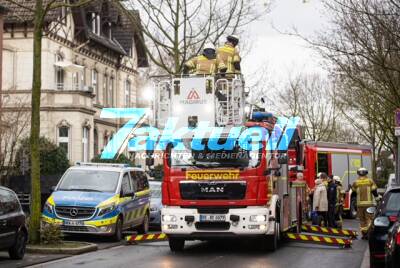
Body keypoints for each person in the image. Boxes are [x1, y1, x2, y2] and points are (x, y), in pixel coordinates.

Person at [351, 167, 380, 239]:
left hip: (359, 205)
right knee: (369, 219)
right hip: (369, 204)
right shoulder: (370, 181)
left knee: (362, 220)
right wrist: (377, 199)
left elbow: (353, 193)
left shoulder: (356, 182)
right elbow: (374, 191)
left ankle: (364, 235)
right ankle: (369, 234)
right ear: (366, 173)